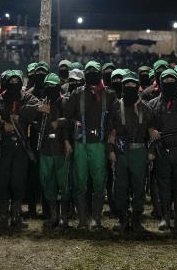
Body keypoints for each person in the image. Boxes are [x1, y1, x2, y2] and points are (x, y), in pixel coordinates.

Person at [64, 61, 115, 228]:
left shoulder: (109, 94)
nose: (92, 73)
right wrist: (67, 139)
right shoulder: (77, 94)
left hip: (99, 145)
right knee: (80, 182)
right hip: (81, 144)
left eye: (95, 71)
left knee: (99, 182)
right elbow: (67, 118)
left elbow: (114, 120)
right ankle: (82, 220)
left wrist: (112, 135)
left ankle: (96, 219)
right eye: (89, 71)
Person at [0, 69, 41, 230]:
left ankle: (16, 215)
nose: (14, 84)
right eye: (10, 82)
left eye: (16, 81)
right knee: (3, 181)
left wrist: (17, 115)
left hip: (21, 146)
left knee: (18, 181)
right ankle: (4, 216)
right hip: (3, 147)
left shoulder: (27, 97)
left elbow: (35, 107)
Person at [107, 71, 151, 232]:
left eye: (133, 85)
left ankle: (137, 219)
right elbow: (110, 130)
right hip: (121, 151)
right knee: (120, 186)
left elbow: (152, 131)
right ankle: (123, 218)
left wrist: (150, 151)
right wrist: (110, 150)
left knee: (139, 186)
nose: (130, 88)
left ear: (138, 87)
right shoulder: (115, 106)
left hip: (139, 150)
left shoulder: (146, 108)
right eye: (127, 85)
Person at [35, 72, 71, 228]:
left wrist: (58, 121)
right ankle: (54, 216)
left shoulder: (66, 102)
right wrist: (38, 111)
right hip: (46, 149)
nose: (49, 88)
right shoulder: (42, 102)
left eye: (52, 86)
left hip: (61, 148)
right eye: (47, 85)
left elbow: (72, 121)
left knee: (63, 184)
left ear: (58, 87)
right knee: (47, 182)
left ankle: (64, 216)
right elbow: (36, 124)